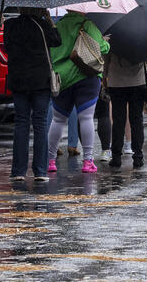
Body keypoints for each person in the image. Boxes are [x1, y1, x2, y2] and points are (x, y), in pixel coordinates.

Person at [47, 10, 109, 173]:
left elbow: (52, 51)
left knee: (58, 119)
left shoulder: (58, 25)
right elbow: (103, 48)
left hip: (63, 78)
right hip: (86, 77)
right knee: (86, 118)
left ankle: (50, 160)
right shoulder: (88, 25)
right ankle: (87, 161)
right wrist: (105, 41)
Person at [4, 7, 61, 182]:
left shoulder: (10, 25)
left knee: (21, 122)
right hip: (40, 81)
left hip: (18, 80)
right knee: (40, 123)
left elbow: (7, 47)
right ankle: (40, 171)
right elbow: (57, 40)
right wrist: (49, 19)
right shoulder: (42, 25)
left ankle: (18, 171)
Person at [105, 52, 146, 168]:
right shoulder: (142, 35)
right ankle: (138, 156)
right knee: (137, 120)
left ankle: (116, 157)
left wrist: (104, 76)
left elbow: (106, 58)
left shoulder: (113, 36)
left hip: (116, 81)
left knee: (118, 120)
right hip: (137, 81)